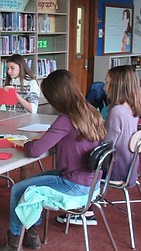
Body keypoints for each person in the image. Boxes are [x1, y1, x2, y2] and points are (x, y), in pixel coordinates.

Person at [0, 69, 106, 251]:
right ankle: (31, 234)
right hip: (91, 183)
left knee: (19, 189)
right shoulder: (90, 112)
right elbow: (76, 142)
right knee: (34, 182)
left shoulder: (66, 119)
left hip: (73, 184)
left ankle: (12, 246)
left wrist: (26, 142)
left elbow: (35, 151)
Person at [58, 65, 141, 226]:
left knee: (78, 159)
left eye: (107, 82)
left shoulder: (116, 111)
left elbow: (105, 145)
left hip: (115, 169)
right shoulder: (131, 108)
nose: (103, 87)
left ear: (117, 86)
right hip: (129, 165)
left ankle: (86, 211)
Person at [0, 54, 41, 180]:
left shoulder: (31, 83)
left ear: (20, 67)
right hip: (8, 124)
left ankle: (23, 184)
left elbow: (32, 109)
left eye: (12, 68)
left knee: (24, 160)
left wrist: (15, 95)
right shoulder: (8, 82)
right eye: (7, 68)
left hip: (26, 125)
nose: (9, 71)